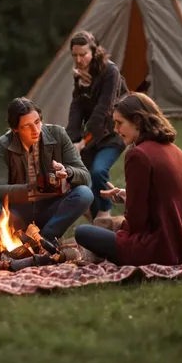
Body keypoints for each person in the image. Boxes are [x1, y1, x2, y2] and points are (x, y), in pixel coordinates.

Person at [75, 93, 182, 266]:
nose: (116, 130)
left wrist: (122, 235)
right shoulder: (176, 150)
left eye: (119, 123)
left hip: (158, 247)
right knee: (110, 227)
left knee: (83, 232)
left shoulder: (138, 155)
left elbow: (137, 220)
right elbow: (165, 197)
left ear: (138, 121)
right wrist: (127, 194)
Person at [0, 97, 93, 242]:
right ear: (15, 130)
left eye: (37, 122)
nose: (36, 130)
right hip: (19, 211)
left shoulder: (58, 134)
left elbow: (85, 176)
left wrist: (67, 172)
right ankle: (19, 238)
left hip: (51, 208)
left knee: (84, 194)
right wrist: (30, 189)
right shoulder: (3, 144)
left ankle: (45, 239)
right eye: (27, 126)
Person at [66, 30, 128, 227]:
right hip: (92, 136)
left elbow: (104, 109)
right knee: (80, 175)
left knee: (98, 171)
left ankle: (105, 211)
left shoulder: (111, 72)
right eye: (75, 55)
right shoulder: (80, 75)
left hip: (113, 132)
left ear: (93, 51)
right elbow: (77, 107)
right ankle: (96, 220)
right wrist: (72, 138)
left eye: (83, 54)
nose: (79, 59)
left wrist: (84, 141)